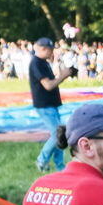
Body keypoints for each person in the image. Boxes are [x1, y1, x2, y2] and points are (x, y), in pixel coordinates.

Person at [29, 37, 74, 173]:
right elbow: (48, 85)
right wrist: (63, 76)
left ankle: (60, 165)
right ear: (43, 49)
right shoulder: (36, 63)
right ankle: (42, 160)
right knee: (57, 135)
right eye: (50, 50)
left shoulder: (43, 62)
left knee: (60, 134)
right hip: (45, 105)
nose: (52, 52)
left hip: (50, 104)